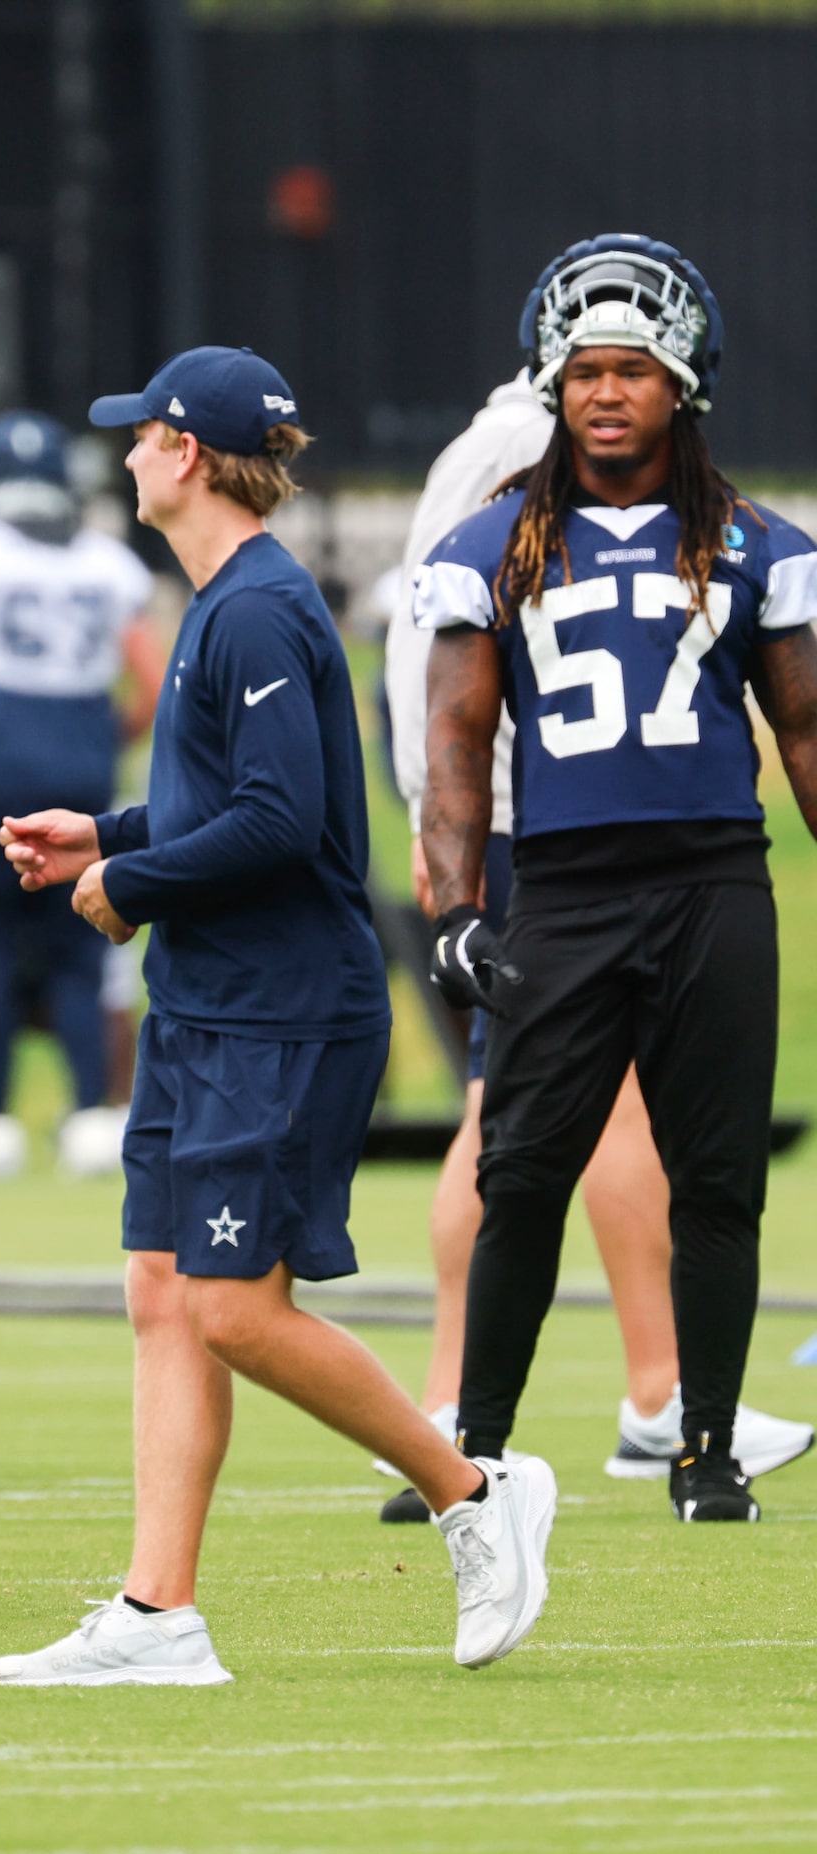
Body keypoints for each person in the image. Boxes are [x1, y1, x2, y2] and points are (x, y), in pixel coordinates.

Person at [0, 345, 554, 1684]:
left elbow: (280, 822)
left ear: (184, 453)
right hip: (211, 1004)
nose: (125, 453)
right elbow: (228, 802)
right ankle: (157, 1614)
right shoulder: (224, 601)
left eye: (141, 435)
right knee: (159, 1294)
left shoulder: (254, 608)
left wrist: (128, 879)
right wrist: (109, 828)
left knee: (234, 1307)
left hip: (281, 1014)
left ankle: (472, 1493)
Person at [380, 320, 810, 1522]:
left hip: (712, 883)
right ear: (554, 392)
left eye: (628, 373)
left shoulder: (756, 543)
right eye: (582, 375)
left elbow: (804, 733)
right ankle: (477, 1451)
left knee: (716, 1181)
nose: (604, 395)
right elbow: (457, 743)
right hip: (560, 894)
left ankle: (704, 1448)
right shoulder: (488, 545)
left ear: (678, 393)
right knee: (519, 1173)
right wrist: (460, 905)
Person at [0, 413, 161, 1183]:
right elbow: (153, 681)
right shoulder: (110, 564)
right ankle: (88, 1116)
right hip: (81, 763)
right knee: (81, 948)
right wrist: (104, 737)